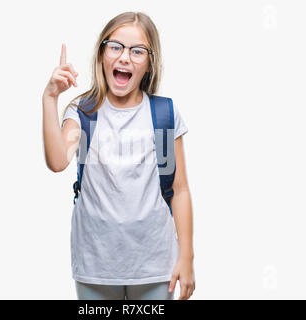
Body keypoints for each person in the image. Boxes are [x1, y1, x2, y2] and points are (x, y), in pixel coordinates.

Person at [42, 11, 195, 300]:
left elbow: (180, 189)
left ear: (149, 63)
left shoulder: (163, 114)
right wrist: (50, 99)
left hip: (155, 265)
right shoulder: (83, 112)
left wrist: (186, 257)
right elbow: (58, 160)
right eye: (116, 47)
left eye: (137, 51)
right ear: (102, 54)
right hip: (95, 265)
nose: (125, 57)